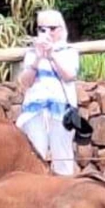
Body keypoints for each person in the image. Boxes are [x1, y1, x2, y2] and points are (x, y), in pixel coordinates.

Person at [16, 9, 81, 175]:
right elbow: (25, 82)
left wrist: (52, 55)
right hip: (36, 111)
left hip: (61, 111)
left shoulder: (68, 51)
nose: (47, 33)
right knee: (36, 155)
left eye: (52, 28)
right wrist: (38, 58)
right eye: (42, 29)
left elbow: (69, 75)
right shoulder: (31, 54)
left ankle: (65, 192)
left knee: (63, 157)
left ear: (61, 29)